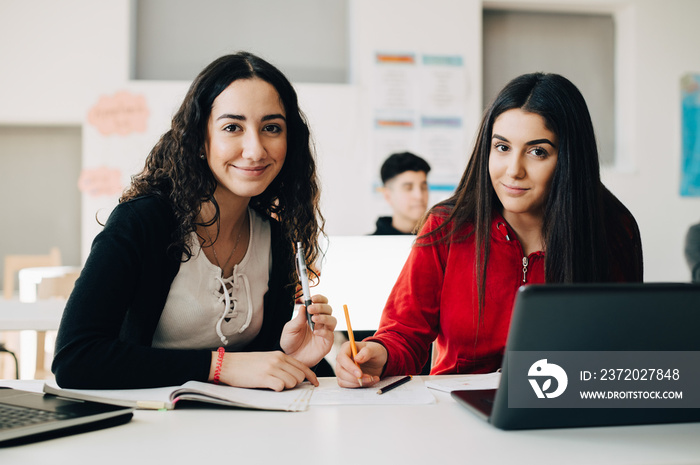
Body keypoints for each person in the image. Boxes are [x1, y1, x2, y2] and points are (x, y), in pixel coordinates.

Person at [336, 72, 644, 387]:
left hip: (564, 408)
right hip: (455, 414)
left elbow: (622, 349)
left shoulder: (612, 230)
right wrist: (377, 352)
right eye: (502, 148)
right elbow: (405, 332)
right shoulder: (447, 225)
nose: (513, 170)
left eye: (537, 151)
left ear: (569, 158)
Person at [52, 52, 337, 391]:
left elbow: (256, 367)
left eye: (271, 128)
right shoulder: (143, 221)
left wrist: (295, 356)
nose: (255, 149)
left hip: (240, 433)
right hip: (144, 430)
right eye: (233, 127)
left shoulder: (274, 236)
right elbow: (75, 359)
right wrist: (218, 366)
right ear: (201, 139)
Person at [372, 152, 431, 235]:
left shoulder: (443, 241)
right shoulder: (367, 245)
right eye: (408, 188)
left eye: (423, 187)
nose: (419, 196)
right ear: (388, 196)